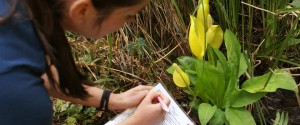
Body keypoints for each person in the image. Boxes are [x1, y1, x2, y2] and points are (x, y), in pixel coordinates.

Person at [0, 0, 170, 124]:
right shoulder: (19, 96)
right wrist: (138, 122)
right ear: (82, 10)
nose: (131, 21)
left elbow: (38, 73)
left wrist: (112, 100)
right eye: (129, 15)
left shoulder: (18, 10)